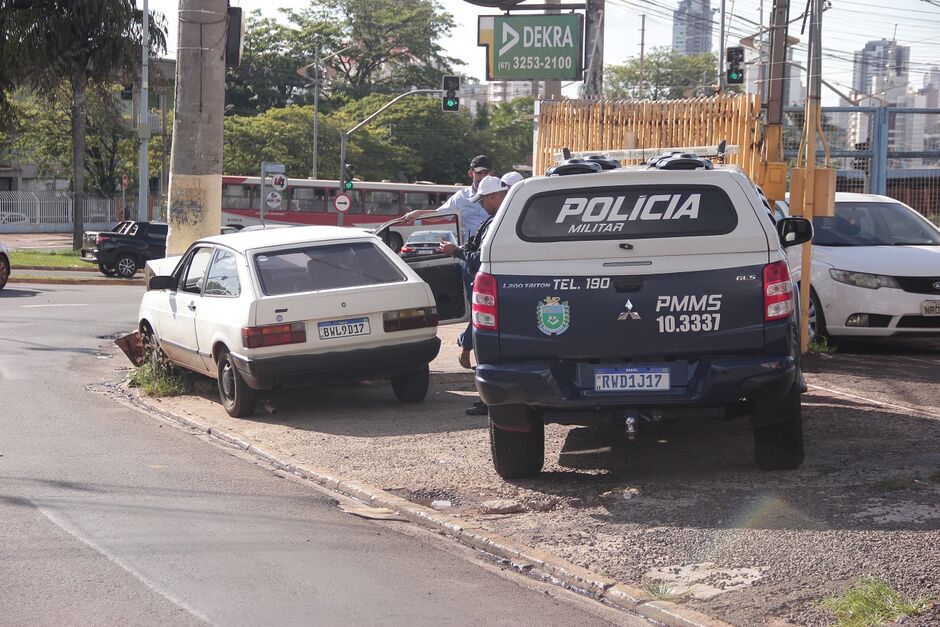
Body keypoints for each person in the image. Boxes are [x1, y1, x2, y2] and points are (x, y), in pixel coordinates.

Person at [437, 174, 510, 415]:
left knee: (487, 347)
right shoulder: (496, 220)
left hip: (492, 291)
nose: (480, 205)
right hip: (494, 291)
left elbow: (479, 257)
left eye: (483, 200)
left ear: (494, 196)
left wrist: (456, 252)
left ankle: (490, 400)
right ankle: (490, 398)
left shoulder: (497, 221)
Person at [401, 154, 492, 242]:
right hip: (473, 251)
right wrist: (418, 213)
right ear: (470, 173)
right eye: (479, 173)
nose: (483, 177)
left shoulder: (500, 194)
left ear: (491, 173)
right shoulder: (462, 197)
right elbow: (440, 215)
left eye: (486, 173)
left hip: (495, 249)